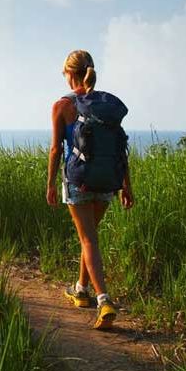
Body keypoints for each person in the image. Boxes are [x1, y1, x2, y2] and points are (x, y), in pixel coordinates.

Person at [45, 50, 135, 330]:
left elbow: (56, 149)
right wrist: (126, 184)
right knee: (91, 237)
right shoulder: (105, 105)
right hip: (108, 180)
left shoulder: (62, 105)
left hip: (78, 180)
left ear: (70, 74)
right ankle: (80, 289)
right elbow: (120, 147)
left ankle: (104, 299)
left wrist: (49, 184)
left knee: (88, 241)